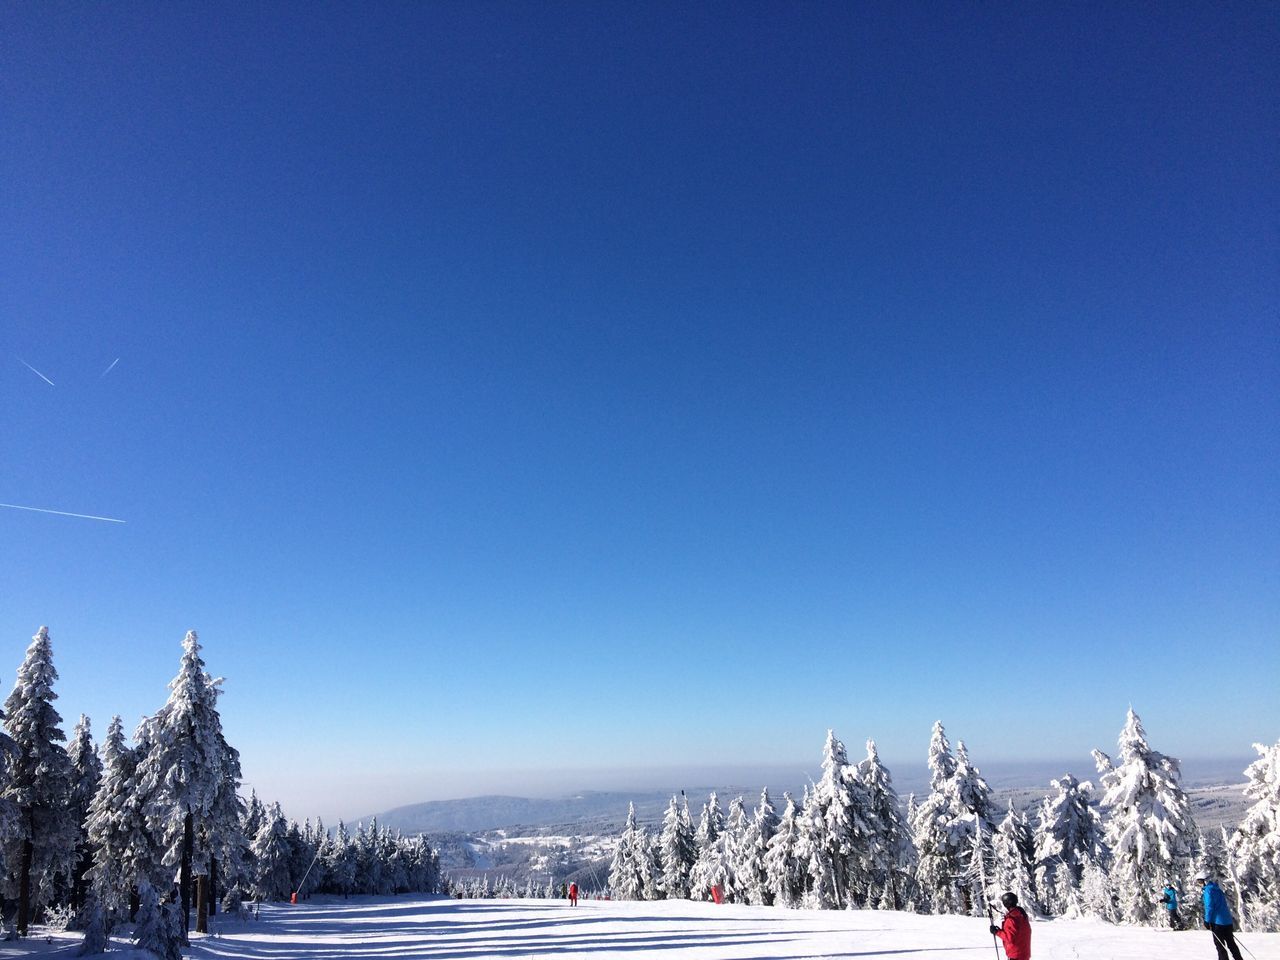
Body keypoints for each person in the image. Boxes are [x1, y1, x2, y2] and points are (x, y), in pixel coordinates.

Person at [1197, 873, 1243, 960]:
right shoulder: (1218, 889)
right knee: (1231, 944)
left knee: (1220, 946)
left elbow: (1209, 907)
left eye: (1200, 881)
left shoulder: (1208, 891)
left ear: (1205, 881)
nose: (1199, 884)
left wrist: (1207, 921)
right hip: (1227, 921)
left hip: (1217, 923)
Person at [989, 891, 1031, 960]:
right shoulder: (1022, 916)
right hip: (1023, 953)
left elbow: (1009, 938)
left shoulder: (1011, 919)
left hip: (1016, 955)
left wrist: (997, 932)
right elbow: (1017, 934)